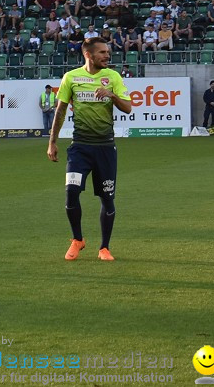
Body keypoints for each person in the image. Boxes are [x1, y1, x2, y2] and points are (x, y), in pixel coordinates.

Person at [47, 36, 132, 262]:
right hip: (80, 148)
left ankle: (104, 248)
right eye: (102, 52)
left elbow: (128, 108)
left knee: (107, 199)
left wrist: (112, 95)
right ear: (88, 55)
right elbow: (60, 110)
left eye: (108, 52)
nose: (107, 55)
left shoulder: (113, 77)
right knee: (71, 192)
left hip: (105, 148)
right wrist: (52, 142)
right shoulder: (71, 78)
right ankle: (77, 240)